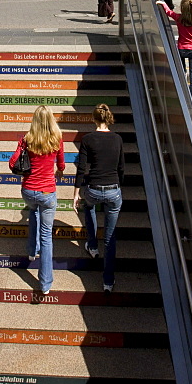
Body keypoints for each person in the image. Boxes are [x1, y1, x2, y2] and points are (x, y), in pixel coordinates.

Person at [9, 105, 65, 294]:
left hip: (28, 190)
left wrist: (21, 146)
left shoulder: (27, 139)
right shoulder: (57, 139)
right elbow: (62, 163)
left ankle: (32, 251)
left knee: (33, 211)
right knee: (47, 236)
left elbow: (12, 163)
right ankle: (45, 283)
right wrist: (60, 172)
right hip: (48, 191)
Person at [72, 104, 125, 292]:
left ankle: (92, 245)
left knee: (89, 206)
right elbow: (121, 167)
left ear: (94, 119)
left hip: (93, 189)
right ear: (108, 118)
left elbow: (81, 169)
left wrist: (76, 193)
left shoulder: (87, 139)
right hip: (113, 189)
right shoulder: (117, 139)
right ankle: (108, 282)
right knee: (110, 237)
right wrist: (119, 187)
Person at [157, 0, 192, 106]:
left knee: (182, 73)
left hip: (181, 49)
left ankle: (181, 97)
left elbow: (169, 12)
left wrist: (163, 3)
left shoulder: (179, 18)